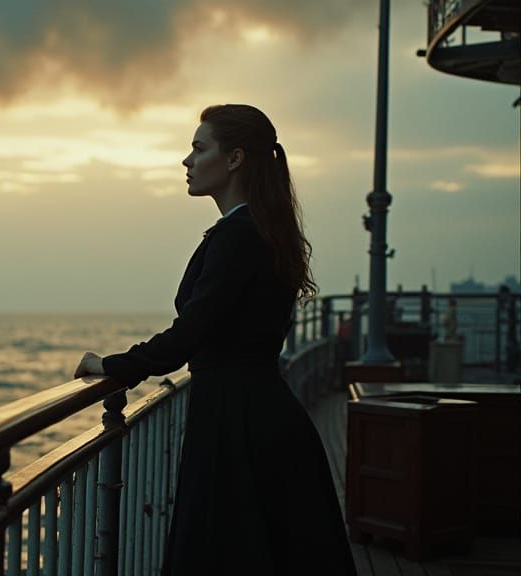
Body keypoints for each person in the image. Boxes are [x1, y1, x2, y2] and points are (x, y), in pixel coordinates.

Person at [74, 104, 357, 575]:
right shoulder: (260, 230)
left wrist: (113, 364)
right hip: (257, 415)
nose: (186, 161)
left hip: (237, 425)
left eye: (198, 148)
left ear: (234, 159)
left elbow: (189, 335)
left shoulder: (238, 236)